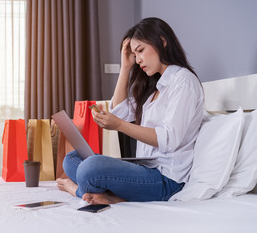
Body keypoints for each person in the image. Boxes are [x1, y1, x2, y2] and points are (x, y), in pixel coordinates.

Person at [56, 17, 204, 205]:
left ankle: (78, 190)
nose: (138, 59)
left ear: (163, 41)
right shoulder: (153, 88)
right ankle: (112, 195)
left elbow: (169, 139)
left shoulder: (183, 81)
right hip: (145, 168)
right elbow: (117, 113)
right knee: (72, 159)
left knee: (89, 168)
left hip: (167, 180)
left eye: (140, 50)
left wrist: (120, 125)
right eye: (134, 54)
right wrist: (125, 67)